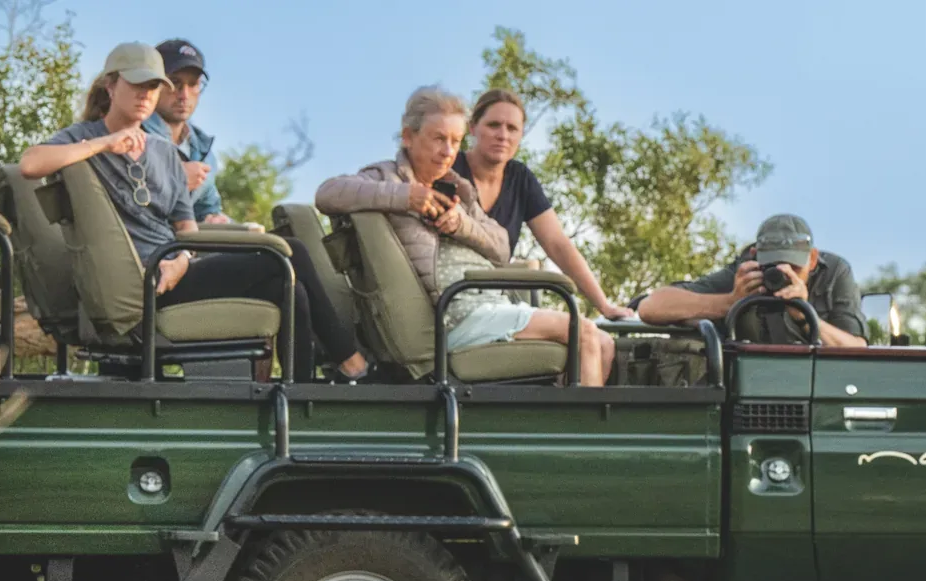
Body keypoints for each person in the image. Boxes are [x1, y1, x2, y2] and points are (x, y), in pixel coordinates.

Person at [19, 42, 368, 381]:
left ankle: (300, 395)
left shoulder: (165, 152)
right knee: (293, 254)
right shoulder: (85, 137)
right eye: (137, 84)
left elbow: (186, 231)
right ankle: (350, 361)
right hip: (142, 279)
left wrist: (182, 259)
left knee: (287, 283)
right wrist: (103, 144)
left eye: (154, 86)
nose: (146, 94)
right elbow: (31, 164)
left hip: (175, 269)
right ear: (110, 85)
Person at [316, 86, 615, 386]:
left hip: (488, 304)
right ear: (408, 137)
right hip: (457, 312)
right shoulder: (386, 177)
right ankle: (585, 432)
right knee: (585, 333)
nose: (447, 152)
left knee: (605, 343)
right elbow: (328, 193)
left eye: (455, 142)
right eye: (438, 139)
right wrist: (406, 196)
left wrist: (462, 224)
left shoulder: (458, 188)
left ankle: (559, 428)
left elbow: (500, 247)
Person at [454, 89, 635, 319]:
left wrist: (604, 306)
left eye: (512, 128)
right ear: (472, 128)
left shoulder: (520, 179)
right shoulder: (449, 169)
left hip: (494, 299)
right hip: (453, 291)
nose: (503, 135)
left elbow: (557, 243)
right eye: (493, 125)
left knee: (591, 336)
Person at [636, 215, 867, 347]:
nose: (783, 274)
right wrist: (732, 301)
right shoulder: (745, 274)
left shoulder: (835, 272)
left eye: (794, 266)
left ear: (813, 259)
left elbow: (858, 349)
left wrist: (805, 315)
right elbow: (651, 307)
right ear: (755, 256)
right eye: (772, 266)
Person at [141, 38, 230, 225]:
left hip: (190, 247)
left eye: (194, 84)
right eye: (174, 82)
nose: (184, 95)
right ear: (153, 83)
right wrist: (176, 179)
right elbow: (122, 201)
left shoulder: (202, 149)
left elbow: (207, 207)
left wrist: (212, 219)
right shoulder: (132, 135)